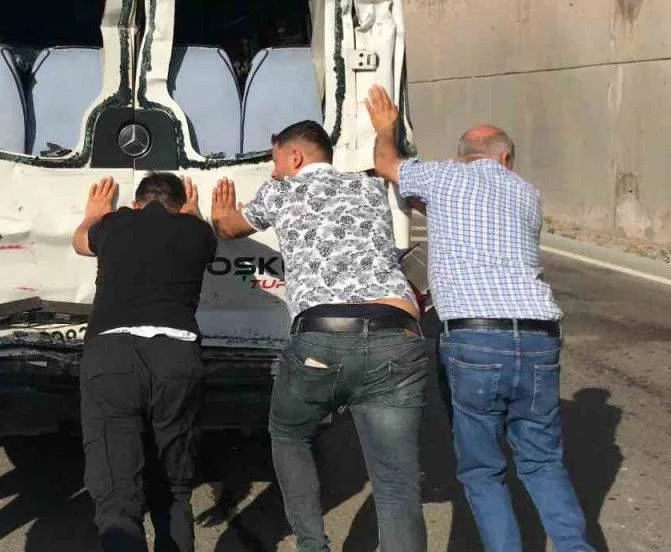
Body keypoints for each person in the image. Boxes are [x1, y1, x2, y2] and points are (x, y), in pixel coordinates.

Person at [365, 85, 595, 552]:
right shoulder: (528, 194)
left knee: (483, 471)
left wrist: (386, 128)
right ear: (506, 159)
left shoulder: (444, 178)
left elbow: (386, 164)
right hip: (539, 336)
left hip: (474, 338)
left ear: (461, 156)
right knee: (543, 463)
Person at [211, 121, 428, 552]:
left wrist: (220, 215)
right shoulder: (371, 188)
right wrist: (386, 130)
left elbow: (229, 229)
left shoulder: (281, 191)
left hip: (323, 335)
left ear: (294, 157)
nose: (273, 170)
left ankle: (313, 546)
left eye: (275, 161)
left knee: (290, 435)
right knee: (396, 481)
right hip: (397, 332)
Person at [73, 173, 217, 552]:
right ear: (180, 207)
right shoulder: (197, 232)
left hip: (112, 357)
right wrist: (192, 212)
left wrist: (93, 214)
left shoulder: (114, 223)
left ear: (136, 203)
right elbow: (200, 232)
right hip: (177, 357)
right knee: (174, 489)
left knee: (117, 496)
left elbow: (80, 242)